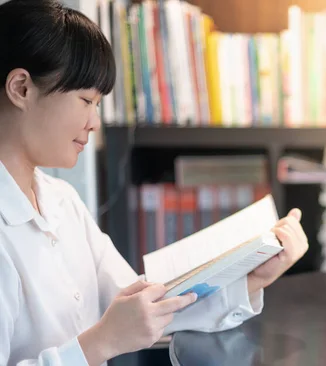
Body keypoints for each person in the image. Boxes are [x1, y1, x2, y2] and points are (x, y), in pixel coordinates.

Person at [0, 0, 309, 365]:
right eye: (86, 100)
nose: (94, 122)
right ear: (21, 88)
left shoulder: (61, 202)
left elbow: (145, 310)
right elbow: (112, 333)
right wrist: (100, 342)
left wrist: (251, 276)